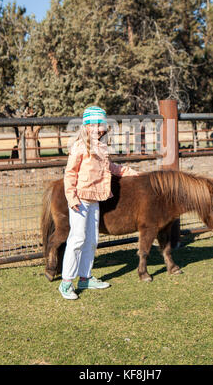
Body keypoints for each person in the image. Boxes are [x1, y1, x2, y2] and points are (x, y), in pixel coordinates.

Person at [59, 106, 139, 300]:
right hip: (80, 199)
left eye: (100, 124)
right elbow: (70, 173)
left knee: (92, 240)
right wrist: (71, 197)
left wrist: (133, 174)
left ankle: (85, 277)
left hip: (95, 199)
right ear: (86, 126)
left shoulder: (102, 147)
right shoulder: (79, 146)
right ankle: (66, 282)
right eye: (93, 124)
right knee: (77, 239)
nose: (97, 128)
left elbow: (110, 168)